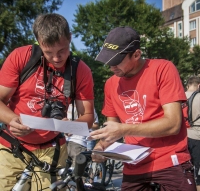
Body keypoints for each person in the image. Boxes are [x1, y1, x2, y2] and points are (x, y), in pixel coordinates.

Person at [89, 26, 196, 191]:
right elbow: (113, 130)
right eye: (108, 62)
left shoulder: (163, 69)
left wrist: (123, 130)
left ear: (136, 54)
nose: (111, 68)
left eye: (116, 62)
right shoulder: (111, 84)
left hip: (169, 161)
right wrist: (101, 147)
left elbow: (174, 124)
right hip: (134, 165)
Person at [0, 13, 94, 191]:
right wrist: (12, 119)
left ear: (70, 38)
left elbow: (87, 116)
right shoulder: (21, 57)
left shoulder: (80, 70)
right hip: (12, 145)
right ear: (38, 42)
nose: (57, 58)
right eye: (48, 52)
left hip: (52, 149)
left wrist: (71, 125)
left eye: (62, 50)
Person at [185, 76, 200, 191]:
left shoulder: (179, 97)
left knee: (186, 170)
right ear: (198, 85)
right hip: (197, 136)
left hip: (183, 137)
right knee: (198, 173)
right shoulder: (199, 97)